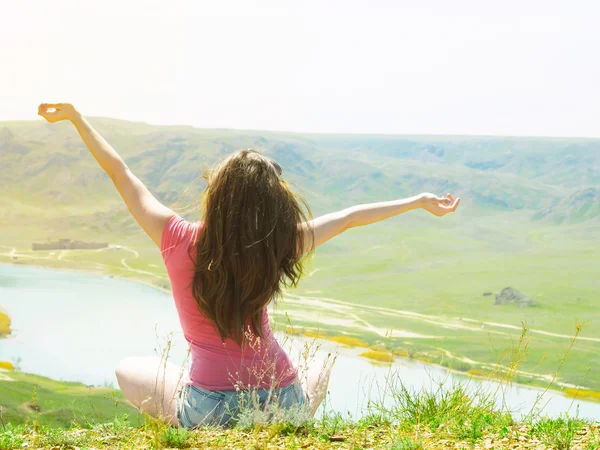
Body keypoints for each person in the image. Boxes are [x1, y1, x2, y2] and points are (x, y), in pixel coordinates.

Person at [37, 102, 460, 428]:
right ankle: (286, 422)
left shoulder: (176, 238)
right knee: (318, 365)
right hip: (283, 403)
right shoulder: (278, 244)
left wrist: (77, 118)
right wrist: (419, 202)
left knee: (127, 369)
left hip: (209, 412)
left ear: (216, 197)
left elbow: (121, 172)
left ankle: (198, 429)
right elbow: (350, 217)